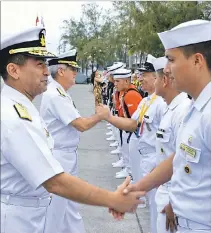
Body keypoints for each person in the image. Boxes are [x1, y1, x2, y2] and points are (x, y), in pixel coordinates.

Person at [0, 26, 145, 233]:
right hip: (18, 218)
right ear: (13, 70)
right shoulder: (15, 117)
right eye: (40, 64)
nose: (46, 72)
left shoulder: (22, 107)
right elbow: (55, 182)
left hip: (28, 211)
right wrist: (113, 199)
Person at [111, 19, 211, 233]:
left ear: (197, 61)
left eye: (171, 60)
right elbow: (180, 158)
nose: (166, 69)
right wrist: (138, 188)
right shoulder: (196, 107)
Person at [40, 50, 110, 233]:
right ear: (61, 71)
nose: (76, 74)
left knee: (70, 208)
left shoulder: (60, 92)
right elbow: (81, 125)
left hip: (66, 155)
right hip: (59, 156)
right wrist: (100, 116)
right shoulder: (55, 94)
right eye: (72, 69)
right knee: (56, 210)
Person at [97, 55, 167, 233]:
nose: (140, 78)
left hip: (158, 161)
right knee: (154, 209)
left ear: (158, 77)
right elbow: (132, 124)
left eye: (145, 75)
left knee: (161, 213)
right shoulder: (146, 101)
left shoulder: (162, 104)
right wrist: (109, 117)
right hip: (147, 160)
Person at [153, 56, 191, 233]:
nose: (153, 83)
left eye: (155, 78)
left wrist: (174, 200)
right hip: (164, 191)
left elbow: (185, 160)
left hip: (173, 196)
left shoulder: (182, 110)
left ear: (165, 80)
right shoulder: (170, 108)